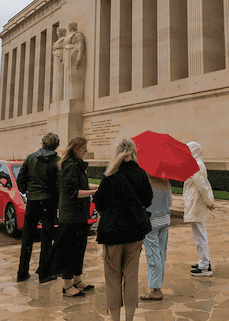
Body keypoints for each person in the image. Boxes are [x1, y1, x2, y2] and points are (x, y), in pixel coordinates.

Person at [94, 138, 153, 321]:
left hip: (112, 232)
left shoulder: (109, 174)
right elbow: (148, 200)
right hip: (134, 232)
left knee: (112, 279)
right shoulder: (140, 173)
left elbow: (99, 202)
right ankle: (129, 319)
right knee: (131, 276)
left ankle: (115, 319)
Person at [46, 137, 97, 297]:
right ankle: (67, 286)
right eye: (84, 148)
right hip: (70, 217)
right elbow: (73, 192)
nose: (86, 150)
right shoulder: (70, 166)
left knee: (79, 249)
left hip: (79, 215)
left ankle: (77, 279)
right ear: (76, 149)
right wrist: (93, 192)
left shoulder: (77, 166)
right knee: (68, 250)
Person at [16, 132, 60, 283]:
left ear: (42, 144)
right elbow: (59, 185)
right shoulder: (57, 161)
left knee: (27, 238)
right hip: (49, 201)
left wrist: (27, 191)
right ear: (56, 145)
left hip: (33, 201)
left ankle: (22, 272)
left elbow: (20, 179)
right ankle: (44, 273)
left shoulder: (30, 158)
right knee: (46, 239)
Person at [184, 141, 214, 277]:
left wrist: (209, 201)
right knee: (198, 234)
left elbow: (203, 185)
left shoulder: (197, 165)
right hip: (194, 203)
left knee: (200, 234)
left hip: (196, 203)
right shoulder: (195, 165)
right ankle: (203, 262)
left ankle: (205, 265)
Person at [141, 175, 172, 301]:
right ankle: (157, 285)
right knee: (160, 253)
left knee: (153, 255)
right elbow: (170, 202)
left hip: (151, 222)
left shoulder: (147, 183)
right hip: (165, 221)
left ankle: (156, 289)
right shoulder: (165, 182)